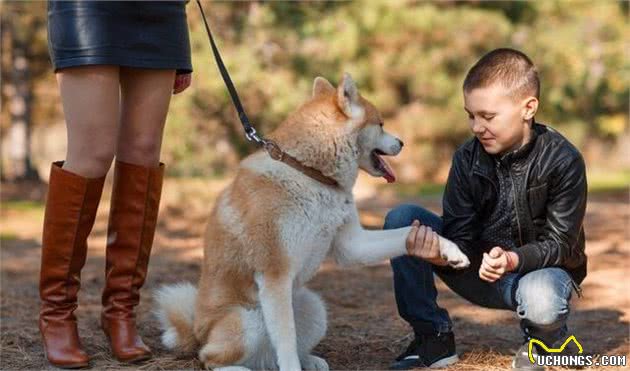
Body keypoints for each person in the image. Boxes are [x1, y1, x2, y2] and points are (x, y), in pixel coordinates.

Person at [385, 48, 587, 371]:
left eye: (488, 117)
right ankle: (433, 337)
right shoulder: (466, 159)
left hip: (534, 275)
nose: (477, 127)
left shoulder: (563, 160)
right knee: (400, 220)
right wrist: (439, 252)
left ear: (528, 108)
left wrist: (512, 259)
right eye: (470, 115)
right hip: (478, 272)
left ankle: (545, 343)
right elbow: (460, 239)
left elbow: (563, 244)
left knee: (543, 299)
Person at [40, 1, 192, 368]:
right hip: (87, 8)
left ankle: (121, 312)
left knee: (143, 152)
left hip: (160, 11)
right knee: (91, 153)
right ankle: (57, 315)